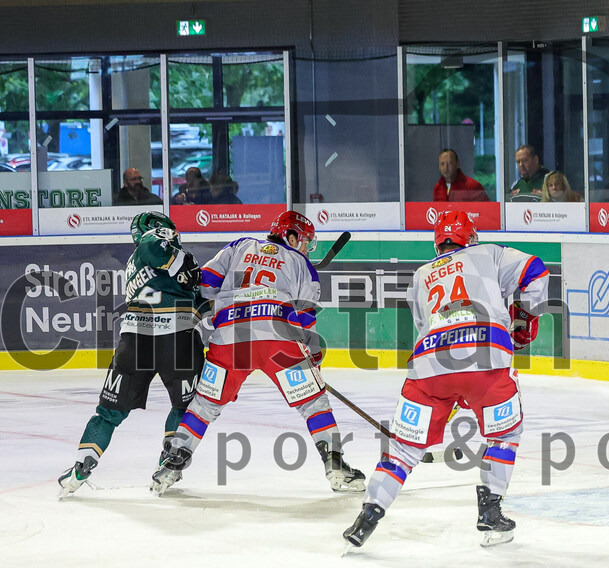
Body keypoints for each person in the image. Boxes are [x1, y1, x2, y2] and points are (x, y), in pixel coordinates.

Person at [343, 210, 550, 549]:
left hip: (429, 364)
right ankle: (490, 512)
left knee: (403, 449)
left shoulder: (421, 275)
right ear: (472, 238)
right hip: (486, 357)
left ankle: (367, 517)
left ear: (437, 244)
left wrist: (452, 388)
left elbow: (425, 325)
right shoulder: (489, 253)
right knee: (505, 434)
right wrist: (524, 318)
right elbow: (535, 270)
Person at [150, 211, 366, 495]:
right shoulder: (301, 264)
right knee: (313, 403)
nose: (306, 249)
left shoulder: (239, 245)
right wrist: (311, 363)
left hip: (230, 336)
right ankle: (335, 466)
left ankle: (170, 465)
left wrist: (222, 306)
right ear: (291, 237)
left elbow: (206, 284)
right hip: (278, 335)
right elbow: (305, 318)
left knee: (204, 405)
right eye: (305, 242)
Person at [58, 212, 205, 498]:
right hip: (177, 336)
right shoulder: (155, 242)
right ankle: (170, 462)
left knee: (108, 413)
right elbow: (159, 250)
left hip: (135, 340)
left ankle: (81, 467)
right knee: (185, 407)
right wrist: (183, 262)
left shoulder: (133, 264)